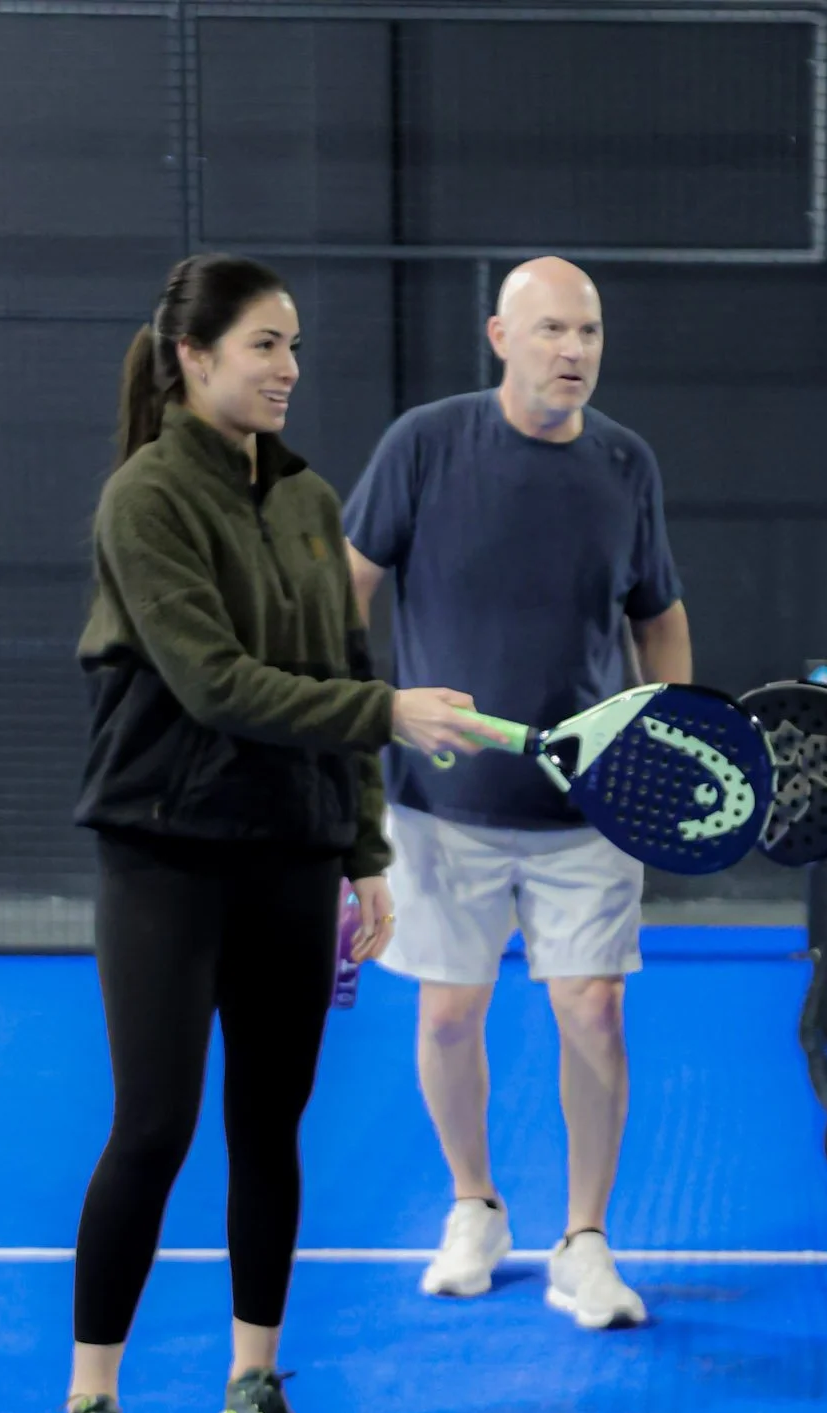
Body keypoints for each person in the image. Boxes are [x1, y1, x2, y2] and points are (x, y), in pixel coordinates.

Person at [49, 254, 482, 1413]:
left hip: (293, 860)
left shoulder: (309, 502)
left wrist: (361, 854)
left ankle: (254, 1383)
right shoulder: (143, 500)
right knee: (153, 1127)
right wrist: (392, 710)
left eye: (294, 346)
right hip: (165, 856)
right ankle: (90, 1404)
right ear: (193, 359)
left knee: (266, 1130)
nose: (288, 368)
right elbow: (215, 681)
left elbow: (335, 665)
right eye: (263, 346)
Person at [343, 256, 690, 1329]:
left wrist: (664, 737)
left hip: (587, 810)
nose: (572, 351)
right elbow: (335, 598)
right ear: (500, 337)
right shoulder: (423, 445)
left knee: (593, 1008)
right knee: (449, 1014)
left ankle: (584, 1239)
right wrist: (368, 718)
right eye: (550, 331)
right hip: (435, 807)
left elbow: (657, 620)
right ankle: (473, 1206)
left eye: (587, 332)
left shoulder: (627, 464)